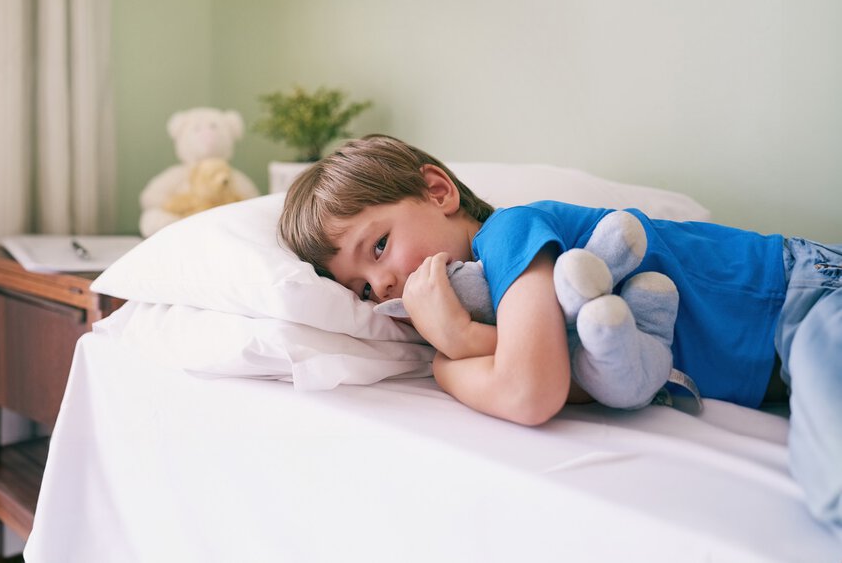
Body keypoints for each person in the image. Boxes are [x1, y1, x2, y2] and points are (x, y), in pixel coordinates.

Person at [278, 133, 842, 538]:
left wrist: (450, 348)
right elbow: (565, 373)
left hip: (806, 290)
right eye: (363, 289)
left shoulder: (507, 233)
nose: (385, 284)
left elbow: (531, 390)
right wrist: (460, 343)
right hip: (782, 357)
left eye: (378, 247)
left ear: (438, 191)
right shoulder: (485, 307)